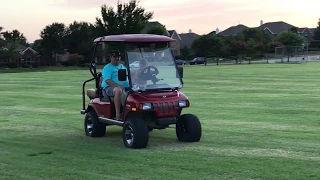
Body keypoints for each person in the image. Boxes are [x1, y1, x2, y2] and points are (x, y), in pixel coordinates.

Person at [101, 50, 129, 121]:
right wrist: (118, 86)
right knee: (118, 90)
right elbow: (107, 80)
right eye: (115, 57)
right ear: (111, 58)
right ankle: (118, 115)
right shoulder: (107, 67)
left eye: (118, 57)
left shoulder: (122, 66)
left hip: (125, 87)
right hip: (109, 87)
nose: (117, 58)